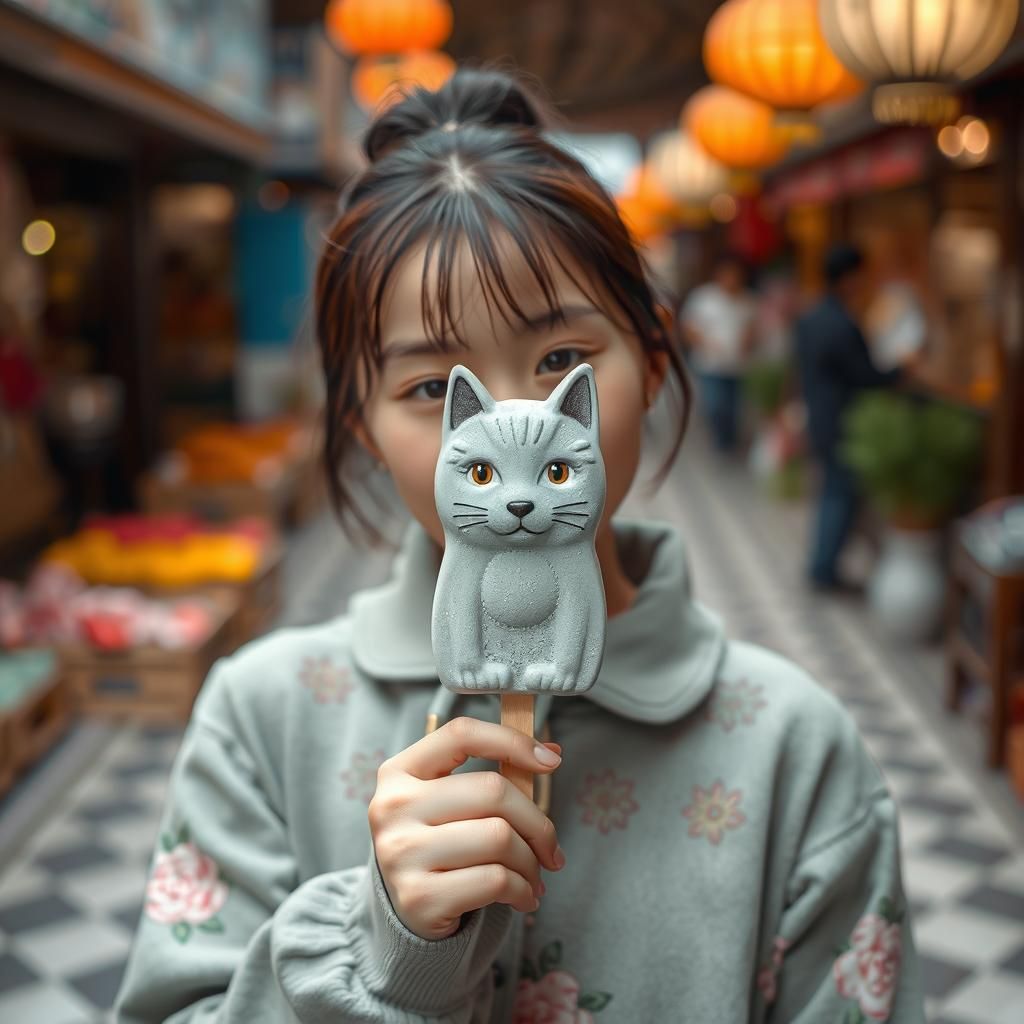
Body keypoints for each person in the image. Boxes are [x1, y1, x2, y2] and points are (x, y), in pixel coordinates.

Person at [115, 71, 924, 1023]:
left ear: (654, 362)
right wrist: (388, 960)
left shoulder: (799, 752)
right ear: (362, 424)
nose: (511, 427)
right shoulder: (260, 722)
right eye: (432, 388)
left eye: (561, 362)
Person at [794, 243, 904, 593]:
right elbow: (866, 376)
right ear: (848, 278)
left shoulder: (814, 317)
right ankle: (823, 570)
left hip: (820, 416)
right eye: (861, 276)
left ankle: (822, 565)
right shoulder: (842, 324)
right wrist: (902, 369)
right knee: (838, 496)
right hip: (841, 421)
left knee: (831, 493)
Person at [679, 252, 757, 453]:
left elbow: (753, 329)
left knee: (733, 408)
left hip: (737, 366)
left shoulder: (748, 301)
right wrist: (705, 343)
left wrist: (748, 341)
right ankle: (719, 439)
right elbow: (688, 327)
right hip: (710, 364)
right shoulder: (704, 297)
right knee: (716, 405)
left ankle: (728, 440)